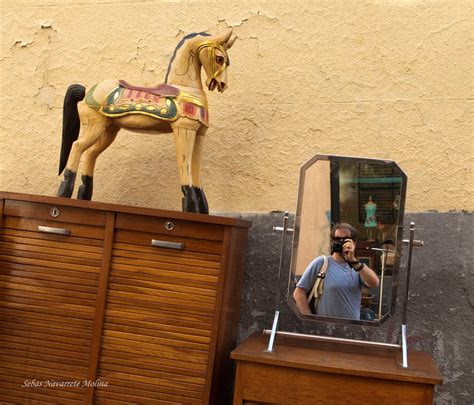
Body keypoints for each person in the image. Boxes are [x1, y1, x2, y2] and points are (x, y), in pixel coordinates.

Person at [293, 223, 380, 320]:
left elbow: (374, 283)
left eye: (345, 240)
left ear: (354, 243)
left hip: (352, 330)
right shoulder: (322, 263)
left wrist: (354, 262)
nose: (340, 243)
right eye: (337, 239)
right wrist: (310, 321)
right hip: (325, 330)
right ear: (331, 242)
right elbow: (298, 293)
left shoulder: (358, 267)